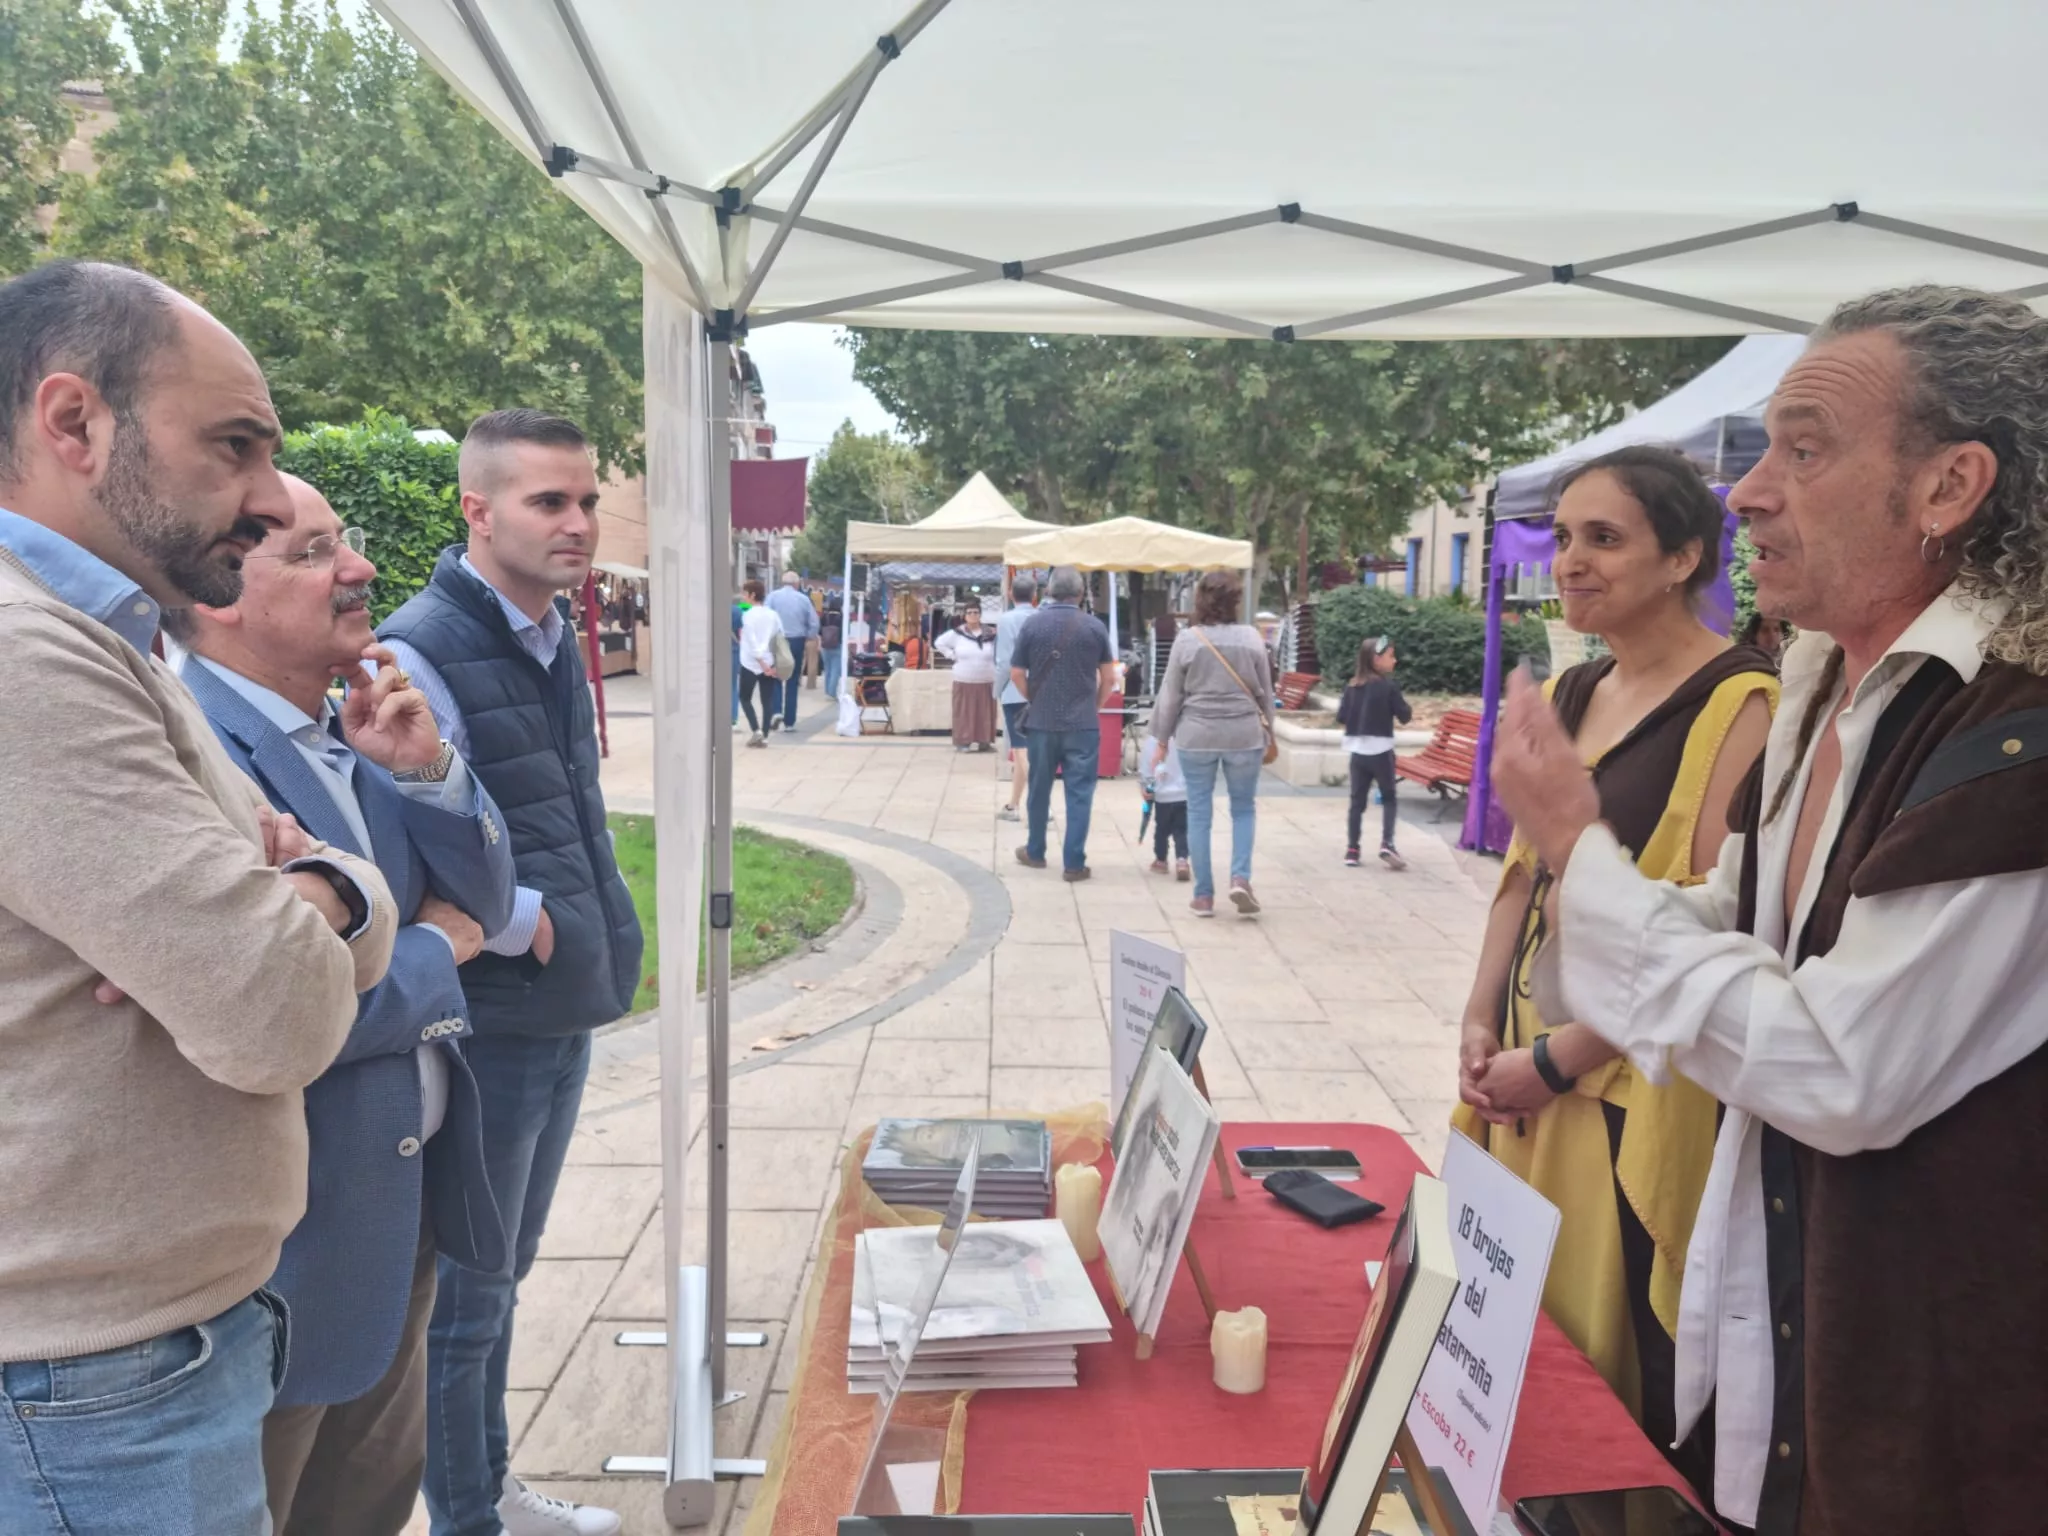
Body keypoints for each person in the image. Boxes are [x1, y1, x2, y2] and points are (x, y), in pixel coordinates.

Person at [1490, 288, 2048, 1535]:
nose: (1745, 492)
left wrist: (1578, 853)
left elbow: (1835, 1069)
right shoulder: (1823, 687)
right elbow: (1737, 920)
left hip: (1946, 1425)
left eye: (1802, 450)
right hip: (1804, 1375)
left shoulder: (2016, 741)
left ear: (1946, 488)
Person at [0, 260, 397, 1536]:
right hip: (90, 1388)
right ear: (74, 424)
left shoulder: (108, 639)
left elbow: (301, 917)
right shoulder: (31, 659)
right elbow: (276, 1012)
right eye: (234, 446)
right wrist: (315, 909)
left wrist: (313, 889)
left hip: (125, 1357)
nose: (270, 499)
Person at [165, 474, 516, 1536]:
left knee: (368, 1500)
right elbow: (259, 1004)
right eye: (319, 552)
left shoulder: (351, 726)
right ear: (222, 587)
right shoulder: (198, 754)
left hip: (392, 1212)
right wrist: (429, 952)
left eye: (345, 543)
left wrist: (428, 772)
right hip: (286, 1254)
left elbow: (488, 903)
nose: (361, 570)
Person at [1452, 445, 1778, 1495]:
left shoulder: (1741, 704)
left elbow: (1717, 937)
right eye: (1563, 538)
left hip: (1622, 1094)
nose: (1570, 562)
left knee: (1600, 1363)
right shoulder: (1577, 684)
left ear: (1683, 555)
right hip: (1518, 1073)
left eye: (1604, 538)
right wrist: (1477, 1022)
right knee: (1500, 1337)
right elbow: (1518, 874)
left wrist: (1553, 1061)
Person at [379, 408, 644, 1536]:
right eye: (550, 502)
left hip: (558, 1002)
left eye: (585, 500)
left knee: (501, 1277)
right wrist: (528, 922)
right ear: (476, 511)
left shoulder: (541, 629)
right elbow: (400, 830)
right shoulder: (426, 647)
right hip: (493, 1015)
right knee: (468, 1296)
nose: (578, 522)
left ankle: (482, 1493)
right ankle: (469, 1520)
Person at [1150, 569, 1275, 917]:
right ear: (1235, 600)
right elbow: (1266, 693)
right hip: (1243, 734)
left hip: (1197, 733)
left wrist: (1161, 739)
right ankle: (1240, 878)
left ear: (1201, 599)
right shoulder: (1251, 638)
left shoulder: (1188, 640)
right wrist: (1270, 734)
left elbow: (1170, 694)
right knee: (1243, 808)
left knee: (1199, 812)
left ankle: (1204, 895)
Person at [1009, 566, 1116, 881]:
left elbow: (1016, 673)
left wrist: (1033, 698)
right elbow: (1109, 677)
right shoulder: (1094, 627)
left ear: (1048, 591)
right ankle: (1073, 863)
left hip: (1042, 722)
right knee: (1080, 793)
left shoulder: (1032, 625)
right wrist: (1093, 706)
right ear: (1081, 594)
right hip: (1082, 724)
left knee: (1039, 787)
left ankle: (1036, 850)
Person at [1339, 635, 1414, 870]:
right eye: (1391, 656)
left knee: (1356, 802)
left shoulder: (1352, 687)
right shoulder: (1388, 687)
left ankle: (1352, 849)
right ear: (1377, 659)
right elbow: (1404, 715)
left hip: (1358, 752)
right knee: (1389, 797)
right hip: (1382, 752)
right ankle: (1387, 843)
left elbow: (1341, 716)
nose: (1395, 660)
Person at [993, 574, 1039, 821]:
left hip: (1013, 688)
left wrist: (996, 689)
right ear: (1035, 595)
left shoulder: (1006, 620)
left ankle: (1041, 804)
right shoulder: (1042, 618)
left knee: (1021, 750)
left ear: (1011, 594)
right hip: (1042, 689)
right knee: (1029, 750)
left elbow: (1003, 662)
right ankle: (1014, 804)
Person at [935, 601, 999, 751]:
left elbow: (999, 649)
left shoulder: (991, 633)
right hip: (964, 679)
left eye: (976, 612)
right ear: (964, 616)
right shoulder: (957, 633)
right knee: (964, 712)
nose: (973, 615)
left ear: (980, 614)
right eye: (969, 613)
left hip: (986, 679)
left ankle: (985, 741)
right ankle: (963, 741)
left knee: (985, 712)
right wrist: (951, 655)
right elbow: (939, 643)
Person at [736, 577, 786, 747]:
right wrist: (771, 664)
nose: (743, 596)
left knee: (744, 697)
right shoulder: (773, 615)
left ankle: (755, 729)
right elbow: (781, 637)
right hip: (770, 662)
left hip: (750, 663)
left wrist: (761, 663)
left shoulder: (748, 616)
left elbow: (751, 642)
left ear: (752, 594)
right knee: (767, 700)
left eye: (745, 593)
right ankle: (764, 735)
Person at [765, 570, 817, 730]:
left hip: (777, 640)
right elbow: (814, 623)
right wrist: (809, 636)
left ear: (782, 582)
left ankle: (776, 711)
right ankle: (789, 722)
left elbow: (765, 617)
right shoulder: (804, 599)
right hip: (796, 641)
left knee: (775, 677)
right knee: (793, 680)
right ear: (797, 583)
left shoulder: (772, 597)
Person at [1143, 734, 1191, 879]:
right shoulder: (1186, 736)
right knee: (1182, 829)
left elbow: (1146, 766)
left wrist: (1145, 786)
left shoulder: (1153, 740)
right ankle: (1182, 860)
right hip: (1184, 794)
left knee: (1161, 830)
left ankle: (1161, 860)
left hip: (1162, 797)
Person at [819, 595, 844, 703]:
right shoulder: (842, 617)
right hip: (837, 645)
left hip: (825, 646)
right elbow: (845, 633)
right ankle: (832, 693)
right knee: (835, 670)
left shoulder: (824, 616)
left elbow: (819, 631)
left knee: (827, 669)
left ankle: (827, 692)